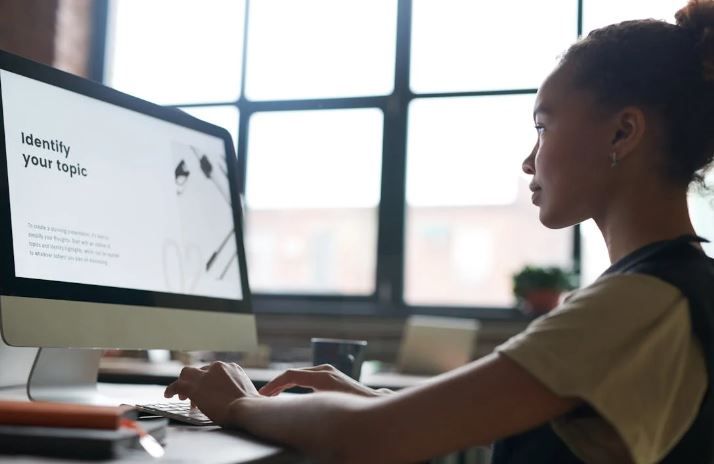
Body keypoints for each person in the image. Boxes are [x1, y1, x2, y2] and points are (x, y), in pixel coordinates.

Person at [164, 1, 714, 462]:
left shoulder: (638, 304)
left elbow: (371, 438)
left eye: (543, 127)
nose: (529, 160)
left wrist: (240, 404)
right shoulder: (675, 289)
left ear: (623, 131)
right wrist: (373, 398)